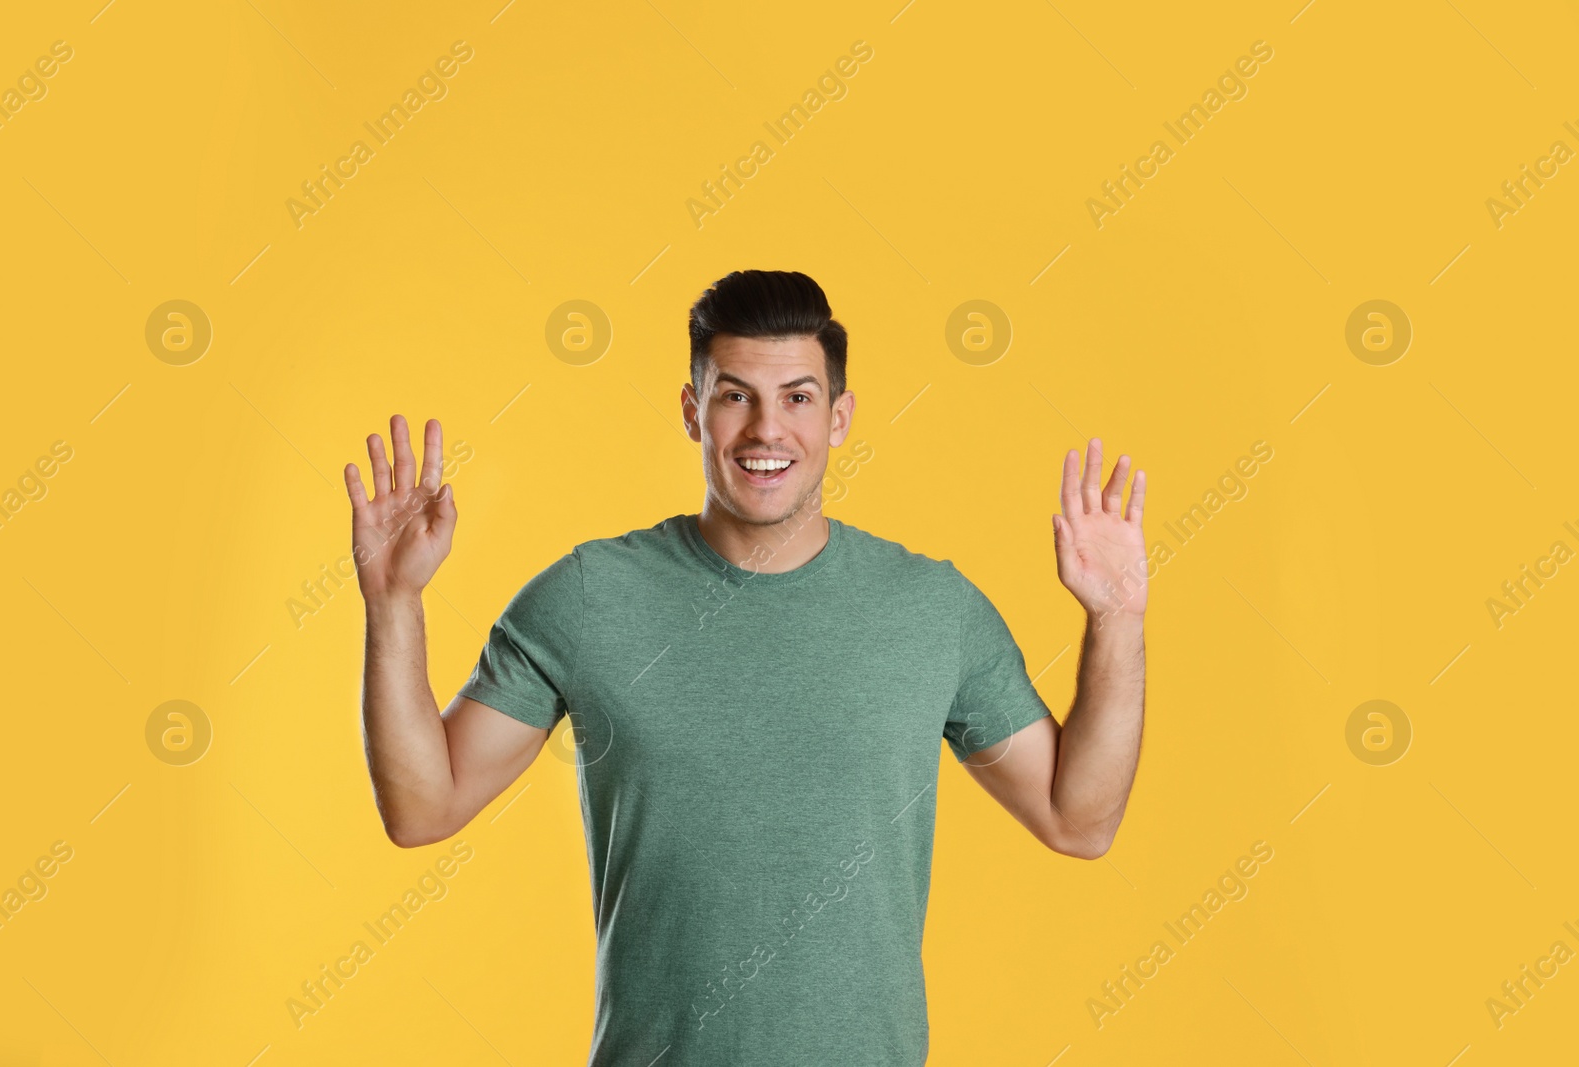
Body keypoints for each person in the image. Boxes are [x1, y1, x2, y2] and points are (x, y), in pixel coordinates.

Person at [345, 269, 1147, 1066]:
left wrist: (1115, 619)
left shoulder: (931, 608)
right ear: (694, 411)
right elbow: (424, 808)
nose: (768, 429)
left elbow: (1077, 818)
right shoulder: (590, 598)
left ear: (839, 417)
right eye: (736, 396)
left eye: (798, 397)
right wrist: (393, 600)